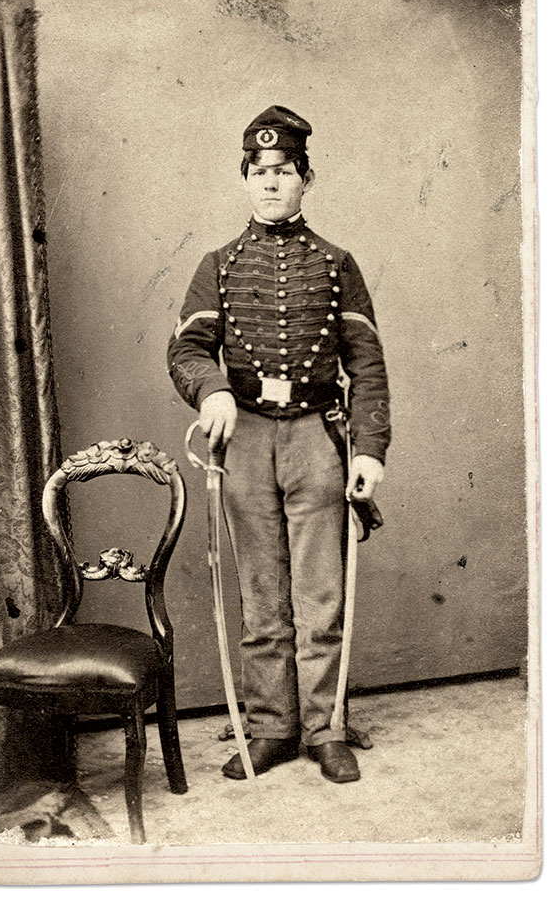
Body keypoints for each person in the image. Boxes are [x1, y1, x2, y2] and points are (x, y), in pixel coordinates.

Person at [167, 105, 390, 783]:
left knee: (319, 598)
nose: (271, 183)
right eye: (259, 172)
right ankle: (271, 729)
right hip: (248, 442)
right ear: (245, 180)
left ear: (306, 178)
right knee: (263, 599)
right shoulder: (219, 265)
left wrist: (369, 449)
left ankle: (326, 730)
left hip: (318, 439)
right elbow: (186, 347)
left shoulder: (335, 264)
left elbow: (368, 363)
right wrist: (212, 391)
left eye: (284, 171)